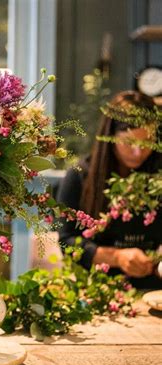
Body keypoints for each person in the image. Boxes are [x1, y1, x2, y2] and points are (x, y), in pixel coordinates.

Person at [57, 91, 161, 289]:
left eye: (147, 142)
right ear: (110, 138)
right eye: (129, 143)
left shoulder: (159, 175)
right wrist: (117, 257)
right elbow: (67, 240)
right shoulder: (81, 176)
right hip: (99, 290)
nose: (138, 152)